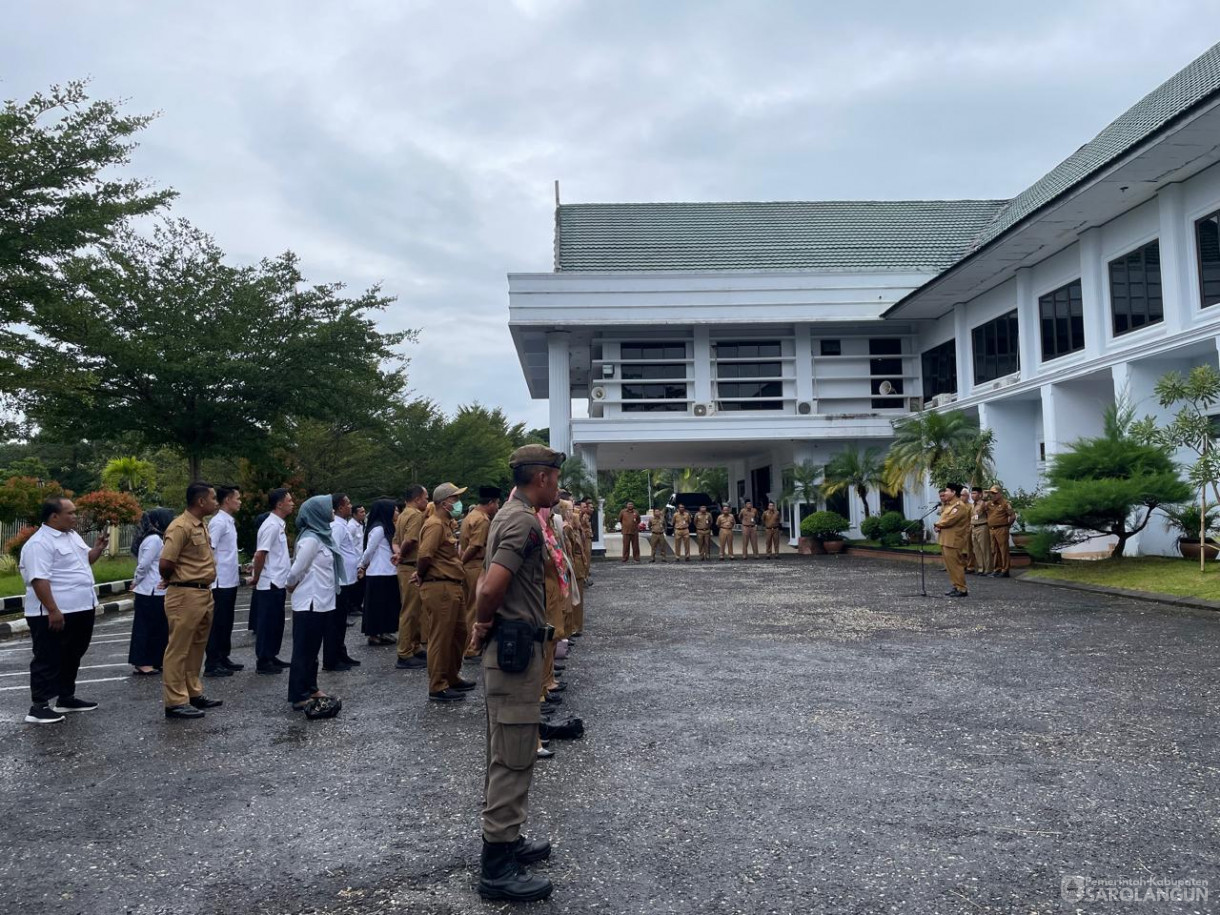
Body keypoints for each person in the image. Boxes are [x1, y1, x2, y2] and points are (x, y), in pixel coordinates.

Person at [468, 444, 561, 902]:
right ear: (541, 478)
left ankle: (508, 840)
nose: (558, 487)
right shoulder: (522, 520)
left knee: (505, 749)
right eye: (556, 478)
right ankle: (497, 866)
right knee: (514, 755)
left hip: (514, 650)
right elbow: (492, 585)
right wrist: (483, 621)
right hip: (514, 652)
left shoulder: (510, 513)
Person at [20, 498, 108, 724]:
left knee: (72, 654)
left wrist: (97, 548)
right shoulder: (39, 543)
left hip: (81, 607)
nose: (75, 517)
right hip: (54, 611)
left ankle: (66, 697)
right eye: (71, 513)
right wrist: (53, 610)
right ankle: (38, 706)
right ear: (54, 517)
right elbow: (39, 579)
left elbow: (84, 561)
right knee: (48, 656)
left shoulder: (72, 536)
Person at [159, 482, 224, 719]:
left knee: (197, 647)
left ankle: (192, 693)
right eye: (214, 498)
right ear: (201, 501)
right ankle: (175, 701)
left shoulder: (201, 525)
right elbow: (165, 563)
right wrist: (175, 581)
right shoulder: (180, 526)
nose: (216, 502)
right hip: (185, 594)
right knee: (178, 648)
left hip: (202, 593)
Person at [416, 483, 473, 702]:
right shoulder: (435, 525)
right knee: (441, 637)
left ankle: (451, 676)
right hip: (440, 586)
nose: (458, 502)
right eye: (454, 498)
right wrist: (421, 574)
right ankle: (437, 685)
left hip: (451, 585)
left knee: (459, 633)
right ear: (443, 502)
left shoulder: (446, 524)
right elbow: (425, 555)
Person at [285, 495, 343, 710]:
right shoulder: (311, 539)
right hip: (310, 601)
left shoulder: (322, 536)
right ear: (317, 512)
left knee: (312, 649)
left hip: (321, 601)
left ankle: (311, 686)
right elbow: (296, 570)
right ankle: (298, 694)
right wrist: (290, 585)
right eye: (328, 508)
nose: (332, 511)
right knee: (304, 650)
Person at [251, 488, 294, 674]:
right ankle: (263, 660)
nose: (292, 503)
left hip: (277, 581)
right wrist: (256, 576)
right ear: (279, 504)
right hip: (269, 582)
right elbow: (261, 553)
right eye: (289, 500)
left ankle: (271, 655)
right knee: (267, 623)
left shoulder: (279, 524)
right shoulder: (271, 526)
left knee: (276, 623)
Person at [128, 508, 174, 676]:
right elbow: (144, 565)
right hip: (150, 591)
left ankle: (156, 659)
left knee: (159, 628)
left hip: (157, 591)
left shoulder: (158, 538)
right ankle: (142, 662)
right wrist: (136, 581)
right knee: (145, 628)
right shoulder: (154, 540)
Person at [205, 485, 243, 678]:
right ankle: (212, 662)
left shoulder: (228, 521)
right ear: (227, 500)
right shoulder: (218, 522)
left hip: (229, 579)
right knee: (217, 623)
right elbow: (209, 549)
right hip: (219, 581)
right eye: (237, 498)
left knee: (226, 622)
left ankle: (223, 656)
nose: (240, 501)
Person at [460, 486, 501, 660]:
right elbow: (475, 545)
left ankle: (469, 645)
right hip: (476, 565)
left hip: (469, 567)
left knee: (470, 605)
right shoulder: (483, 520)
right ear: (490, 502)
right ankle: (471, 647)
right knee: (476, 607)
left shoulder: (471, 516)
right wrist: (461, 563)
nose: (498, 507)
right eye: (497, 503)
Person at [325, 493, 362, 671]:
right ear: (340, 507)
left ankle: (341, 653)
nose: (350, 506)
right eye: (348, 503)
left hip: (346, 579)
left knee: (341, 621)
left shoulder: (342, 524)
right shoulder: (337, 527)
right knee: (336, 622)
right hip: (340, 580)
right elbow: (333, 550)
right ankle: (332, 658)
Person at [394, 484, 429, 667]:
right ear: (417, 499)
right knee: (410, 611)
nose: (427, 501)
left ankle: (415, 647)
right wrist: (402, 555)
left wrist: (398, 554)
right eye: (425, 498)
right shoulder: (415, 515)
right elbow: (411, 539)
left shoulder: (402, 515)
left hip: (404, 566)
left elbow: (395, 540)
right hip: (410, 566)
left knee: (414, 610)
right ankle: (405, 652)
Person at [359, 498, 400, 645]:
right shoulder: (379, 529)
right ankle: (374, 633)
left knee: (387, 605)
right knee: (376, 605)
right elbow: (369, 550)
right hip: (378, 572)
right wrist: (362, 565)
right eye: (394, 509)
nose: (397, 512)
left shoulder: (388, 527)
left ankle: (385, 631)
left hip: (389, 571)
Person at [933, 483, 970, 598]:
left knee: (956, 565)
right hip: (946, 539)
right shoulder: (949, 506)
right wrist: (938, 526)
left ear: (954, 493)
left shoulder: (959, 506)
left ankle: (962, 588)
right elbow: (944, 519)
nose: (945, 493)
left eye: (947, 491)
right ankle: (955, 585)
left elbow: (949, 520)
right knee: (950, 566)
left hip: (954, 540)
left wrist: (938, 524)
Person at [987, 485, 1016, 578]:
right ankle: (997, 569)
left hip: (1001, 529)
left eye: (994, 493)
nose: (992, 495)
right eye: (991, 493)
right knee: (994, 550)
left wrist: (1007, 526)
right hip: (992, 529)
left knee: (1003, 550)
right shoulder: (990, 504)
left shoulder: (1005, 503)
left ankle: (1005, 569)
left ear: (1000, 493)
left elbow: (1012, 516)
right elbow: (980, 508)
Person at [346, 503, 366, 618]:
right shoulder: (351, 526)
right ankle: (352, 607)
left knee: (360, 586)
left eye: (364, 512)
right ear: (354, 514)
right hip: (354, 560)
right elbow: (350, 545)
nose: (363, 514)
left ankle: (357, 605)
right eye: (361, 512)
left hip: (360, 559)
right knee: (354, 586)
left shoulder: (360, 524)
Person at [967, 487, 993, 576]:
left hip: (982, 527)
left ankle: (988, 569)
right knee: (977, 549)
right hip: (973, 527)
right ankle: (981, 568)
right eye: (971, 493)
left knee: (984, 549)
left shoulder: (983, 503)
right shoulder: (972, 505)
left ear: (979, 494)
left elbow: (981, 510)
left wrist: (983, 498)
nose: (972, 495)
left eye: (974, 493)